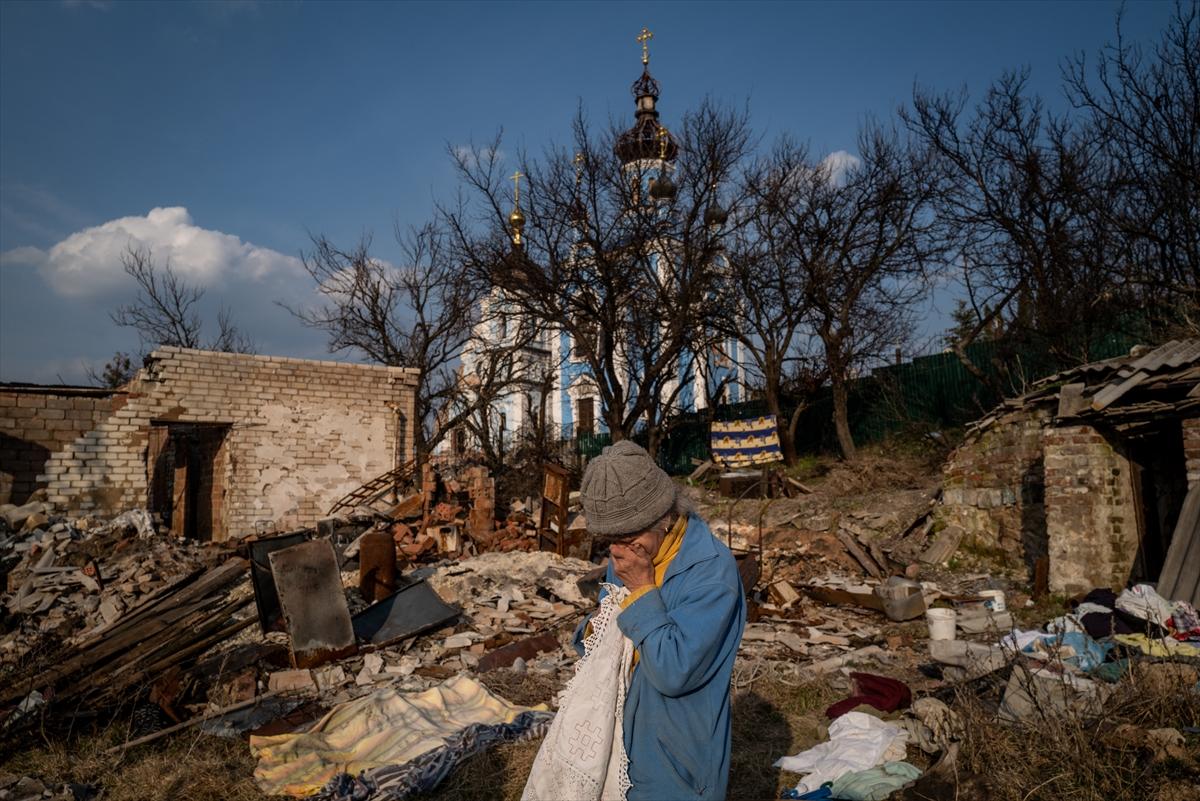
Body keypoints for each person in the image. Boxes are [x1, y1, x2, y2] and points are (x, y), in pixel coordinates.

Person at [574, 440, 746, 801]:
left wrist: (641, 589)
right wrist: (592, 633)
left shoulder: (712, 573)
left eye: (627, 538)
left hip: (677, 763)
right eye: (610, 540)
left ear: (663, 518)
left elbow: (674, 671)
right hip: (621, 744)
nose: (618, 551)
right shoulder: (632, 551)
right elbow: (610, 631)